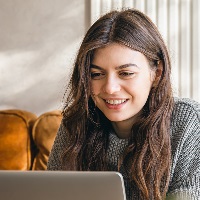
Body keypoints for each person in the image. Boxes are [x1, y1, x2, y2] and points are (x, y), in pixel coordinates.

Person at [47, 8, 200, 200]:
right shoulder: (76, 122)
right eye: (96, 74)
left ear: (157, 73)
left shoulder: (187, 123)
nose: (110, 88)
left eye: (126, 73)